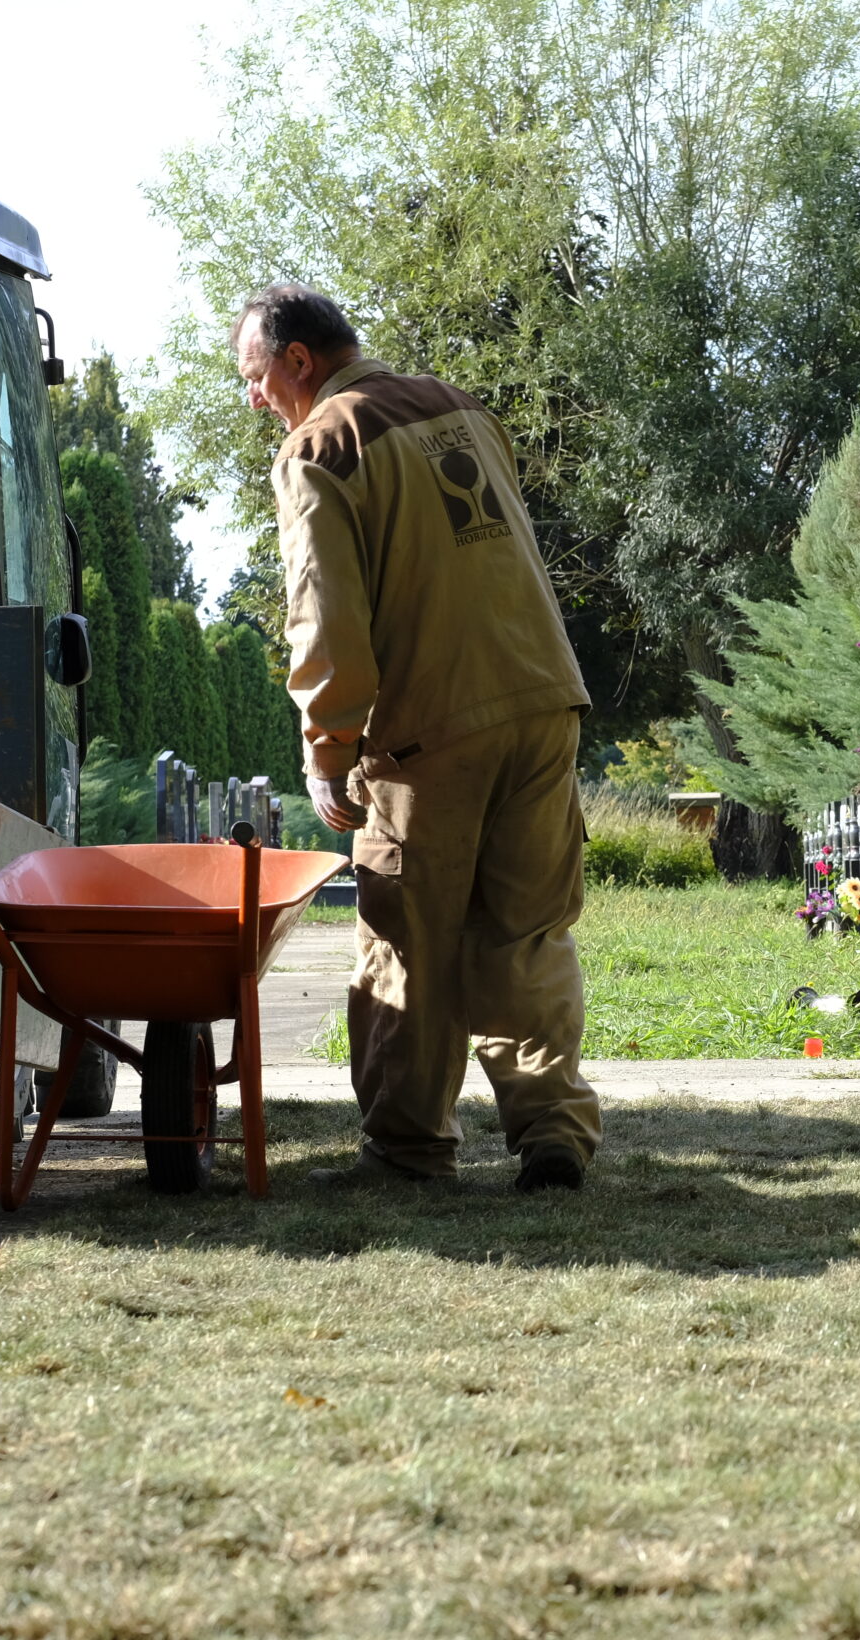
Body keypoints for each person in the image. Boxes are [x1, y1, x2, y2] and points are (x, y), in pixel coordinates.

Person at [234, 284, 600, 1192]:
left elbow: (325, 614)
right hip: (544, 696)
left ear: (298, 362)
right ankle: (550, 1131)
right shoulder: (464, 409)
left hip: (431, 725)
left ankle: (406, 1150)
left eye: (254, 377)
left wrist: (328, 745)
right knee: (527, 931)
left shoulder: (318, 445)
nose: (253, 399)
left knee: (408, 936)